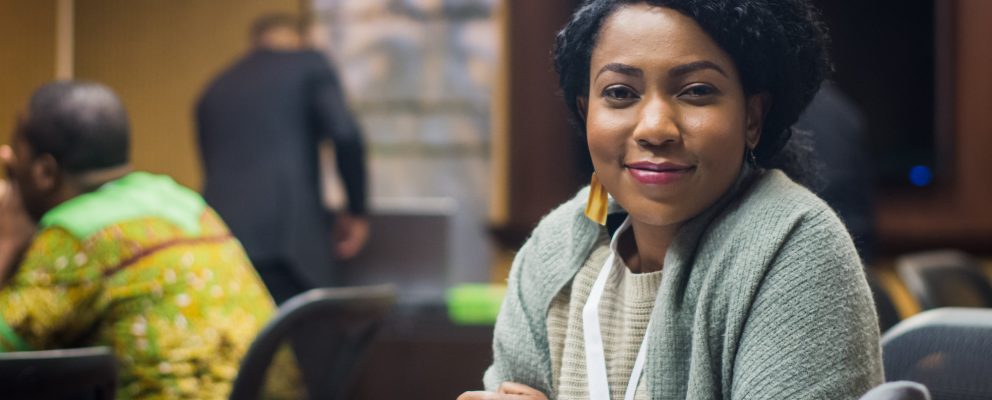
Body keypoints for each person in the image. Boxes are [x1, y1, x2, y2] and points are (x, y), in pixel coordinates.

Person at [461, 1, 883, 399]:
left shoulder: (796, 247)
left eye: (697, 91)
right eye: (621, 93)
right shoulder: (554, 247)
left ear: (752, 118)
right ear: (585, 110)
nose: (655, 127)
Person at [0, 81, 281, 398]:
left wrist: (7, 241)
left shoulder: (76, 233)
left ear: (45, 173)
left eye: (15, 151)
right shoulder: (181, 199)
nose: (8, 158)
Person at [196, 13, 369, 303]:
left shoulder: (215, 88)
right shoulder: (309, 64)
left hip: (220, 242)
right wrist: (357, 211)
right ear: (298, 40)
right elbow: (345, 135)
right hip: (288, 247)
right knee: (308, 342)